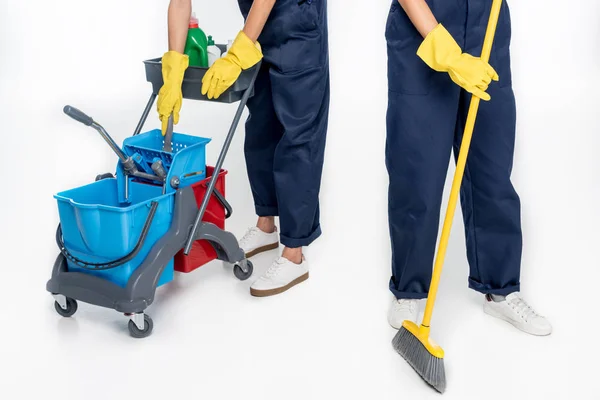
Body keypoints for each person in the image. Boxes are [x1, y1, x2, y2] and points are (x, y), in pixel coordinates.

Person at [385, 0, 552, 336]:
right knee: (417, 170)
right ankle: (409, 290)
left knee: (491, 165)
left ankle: (500, 288)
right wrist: (443, 48)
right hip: (422, 29)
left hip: (486, 25)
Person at [158, 0, 329, 297]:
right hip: (258, 25)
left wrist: (239, 52)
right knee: (261, 125)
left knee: (297, 134)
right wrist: (173, 67)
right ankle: (266, 226)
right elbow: (180, 2)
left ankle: (294, 253)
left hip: (299, 21)